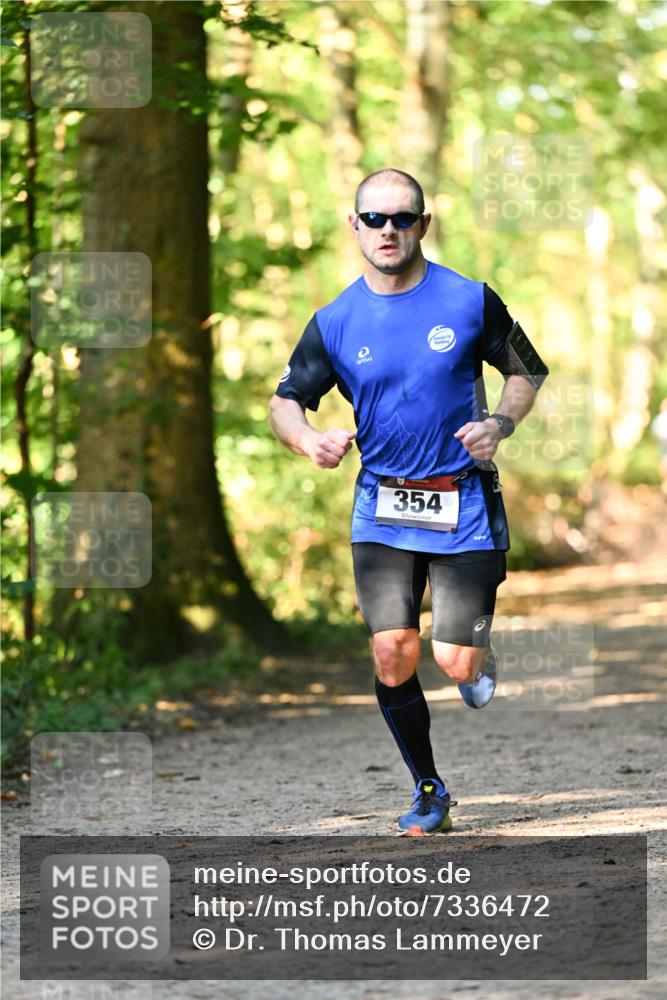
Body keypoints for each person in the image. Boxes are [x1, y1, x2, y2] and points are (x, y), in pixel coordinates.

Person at [269, 168, 545, 834]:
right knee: (392, 650)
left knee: (455, 661)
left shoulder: (470, 300)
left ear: (423, 223)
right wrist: (307, 440)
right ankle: (428, 788)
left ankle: (474, 651)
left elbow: (525, 369)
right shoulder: (334, 320)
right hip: (382, 508)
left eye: (401, 218)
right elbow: (285, 401)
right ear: (354, 226)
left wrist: (499, 425)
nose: (386, 230)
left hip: (464, 503)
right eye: (373, 219)